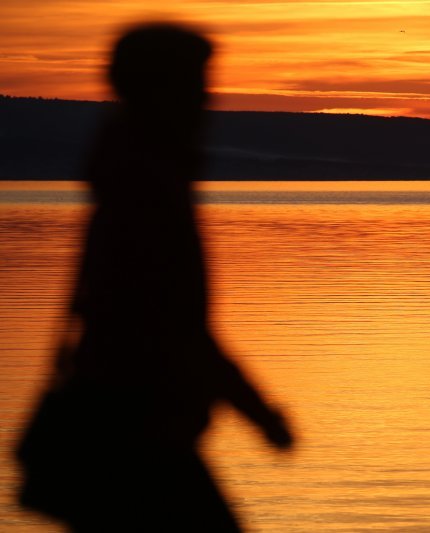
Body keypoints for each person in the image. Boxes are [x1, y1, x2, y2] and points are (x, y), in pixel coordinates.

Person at [17, 23, 293, 531]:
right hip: (140, 438)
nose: (206, 98)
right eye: (194, 84)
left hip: (128, 432)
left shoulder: (128, 174)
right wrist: (258, 413)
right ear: (155, 90)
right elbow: (175, 326)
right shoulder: (147, 191)